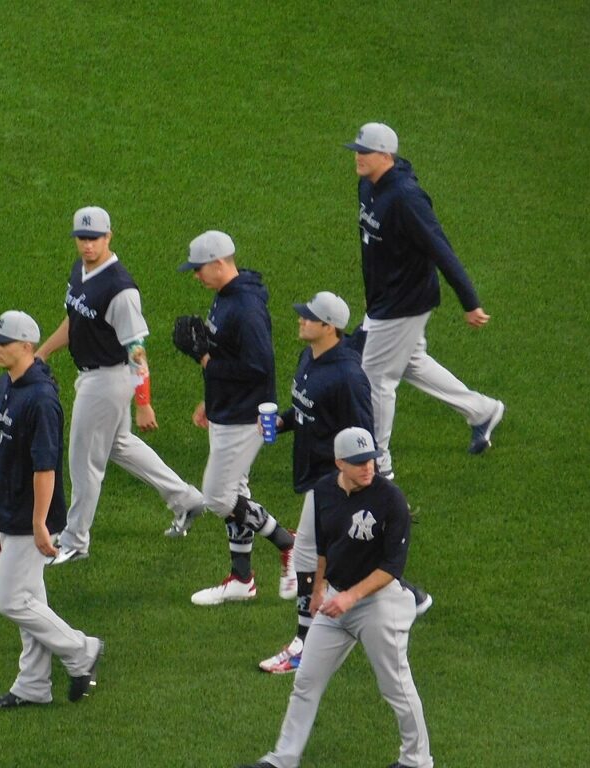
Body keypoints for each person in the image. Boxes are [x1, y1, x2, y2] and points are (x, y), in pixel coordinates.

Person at [237, 427, 434, 768]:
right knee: (306, 682)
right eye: (358, 462)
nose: (368, 467)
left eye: (370, 460)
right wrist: (318, 591)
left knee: (396, 688)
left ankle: (418, 761)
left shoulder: (391, 500)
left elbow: (392, 567)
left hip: (379, 604)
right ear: (339, 462)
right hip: (336, 600)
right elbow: (325, 545)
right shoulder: (324, 492)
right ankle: (282, 759)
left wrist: (350, 598)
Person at [256, 292, 431, 675]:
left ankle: (303, 644)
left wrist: (353, 488)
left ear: (328, 327)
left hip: (331, 481)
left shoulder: (349, 376)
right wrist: (284, 422)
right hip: (313, 473)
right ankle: (408, 595)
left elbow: (362, 436)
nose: (301, 320)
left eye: (309, 318)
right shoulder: (310, 358)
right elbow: (305, 407)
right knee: (340, 557)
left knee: (305, 558)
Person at [37, 206, 205, 565]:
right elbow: (76, 321)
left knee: (83, 461)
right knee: (120, 446)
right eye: (82, 239)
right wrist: (44, 352)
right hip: (93, 375)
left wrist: (143, 401)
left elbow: (137, 351)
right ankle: (187, 499)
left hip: (108, 380)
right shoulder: (80, 272)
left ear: (109, 236)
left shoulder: (121, 290)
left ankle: (75, 540)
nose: (87, 246)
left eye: (94, 238)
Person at [345, 121, 505, 478]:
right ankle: (482, 411)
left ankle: (378, 461)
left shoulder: (406, 198)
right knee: (412, 362)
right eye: (356, 151)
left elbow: (440, 248)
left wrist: (470, 301)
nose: (357, 158)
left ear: (385, 155)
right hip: (383, 299)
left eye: (364, 152)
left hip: (405, 302)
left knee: (376, 379)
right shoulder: (367, 186)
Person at [0, 310, 103, 710]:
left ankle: (81, 649)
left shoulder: (41, 400)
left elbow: (45, 466)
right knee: (31, 599)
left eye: (4, 343)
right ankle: (33, 684)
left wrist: (38, 523)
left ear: (27, 347)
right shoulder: (4, 386)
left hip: (30, 515)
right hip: (8, 509)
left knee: (11, 600)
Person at [175, 230, 296, 606]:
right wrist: (209, 400)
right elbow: (228, 355)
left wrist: (206, 360)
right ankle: (242, 579)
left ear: (219, 263)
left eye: (199, 269)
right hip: (227, 409)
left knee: (216, 496)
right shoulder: (225, 297)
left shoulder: (245, 308)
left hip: (246, 416)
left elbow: (259, 367)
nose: (196, 276)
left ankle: (289, 543)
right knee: (236, 492)